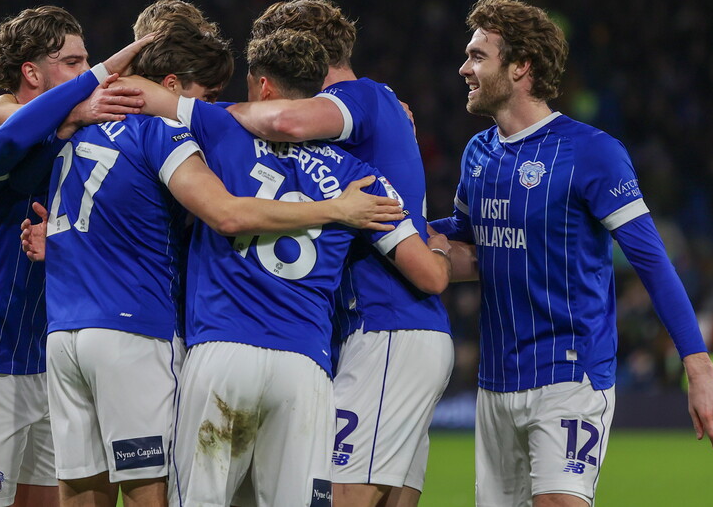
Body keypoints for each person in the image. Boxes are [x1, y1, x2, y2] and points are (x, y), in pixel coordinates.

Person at [0, 14, 406, 507]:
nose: (210, 108)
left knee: (82, 488)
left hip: (64, 335)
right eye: (205, 96)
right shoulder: (163, 133)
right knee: (153, 492)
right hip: (136, 332)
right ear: (171, 86)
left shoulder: (72, 128)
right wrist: (337, 210)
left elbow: (4, 115)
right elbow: (226, 214)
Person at [117, 25, 460, 507]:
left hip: (224, 352)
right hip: (305, 367)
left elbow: (135, 93)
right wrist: (441, 248)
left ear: (262, 87)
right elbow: (430, 274)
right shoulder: (359, 178)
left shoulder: (218, 128)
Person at [427, 0, 713, 507]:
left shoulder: (591, 152)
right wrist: (383, 223)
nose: (464, 68)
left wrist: (699, 370)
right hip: (496, 382)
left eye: (478, 56)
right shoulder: (478, 153)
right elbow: (462, 233)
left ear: (521, 66)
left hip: (571, 374)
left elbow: (653, 264)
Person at [223, 0, 475, 507]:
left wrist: (209, 116)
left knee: (333, 497)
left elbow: (287, 122)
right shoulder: (376, 108)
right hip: (397, 330)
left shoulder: (359, 98)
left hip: (387, 326)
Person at [0, 5, 150, 507]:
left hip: (52, 361)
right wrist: (77, 101)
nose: (87, 73)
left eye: (87, 61)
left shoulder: (84, 144)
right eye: (73, 63)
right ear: (32, 72)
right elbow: (10, 131)